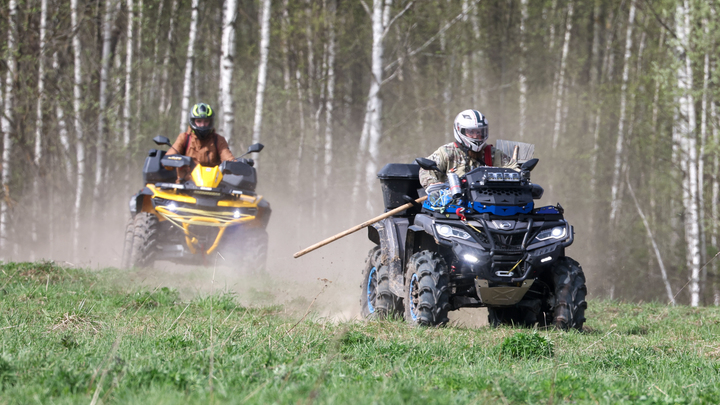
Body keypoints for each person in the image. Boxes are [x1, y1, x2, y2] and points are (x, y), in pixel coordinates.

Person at [419, 109, 514, 193]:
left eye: (479, 132)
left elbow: (513, 169)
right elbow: (426, 170)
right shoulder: (447, 152)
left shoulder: (492, 153)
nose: (476, 136)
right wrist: (432, 184)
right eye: (471, 132)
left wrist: (521, 176)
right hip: (454, 204)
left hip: (489, 201)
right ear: (460, 130)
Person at [167, 102, 235, 180]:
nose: (202, 125)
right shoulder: (184, 138)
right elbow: (169, 157)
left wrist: (237, 165)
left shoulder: (218, 140)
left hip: (214, 187)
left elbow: (229, 159)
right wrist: (176, 161)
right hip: (185, 186)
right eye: (199, 121)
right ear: (193, 121)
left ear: (211, 122)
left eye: (206, 121)